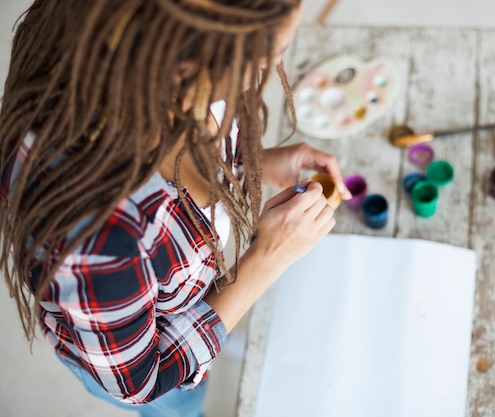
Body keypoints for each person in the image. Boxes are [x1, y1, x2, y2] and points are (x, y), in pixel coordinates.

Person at [0, 1, 351, 416]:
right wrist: (267, 258)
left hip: (186, 295)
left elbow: (192, 146)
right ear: (182, 68)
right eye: (265, 57)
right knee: (181, 405)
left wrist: (252, 161)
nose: (270, 68)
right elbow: (142, 379)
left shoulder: (169, 78)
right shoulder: (94, 233)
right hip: (153, 367)